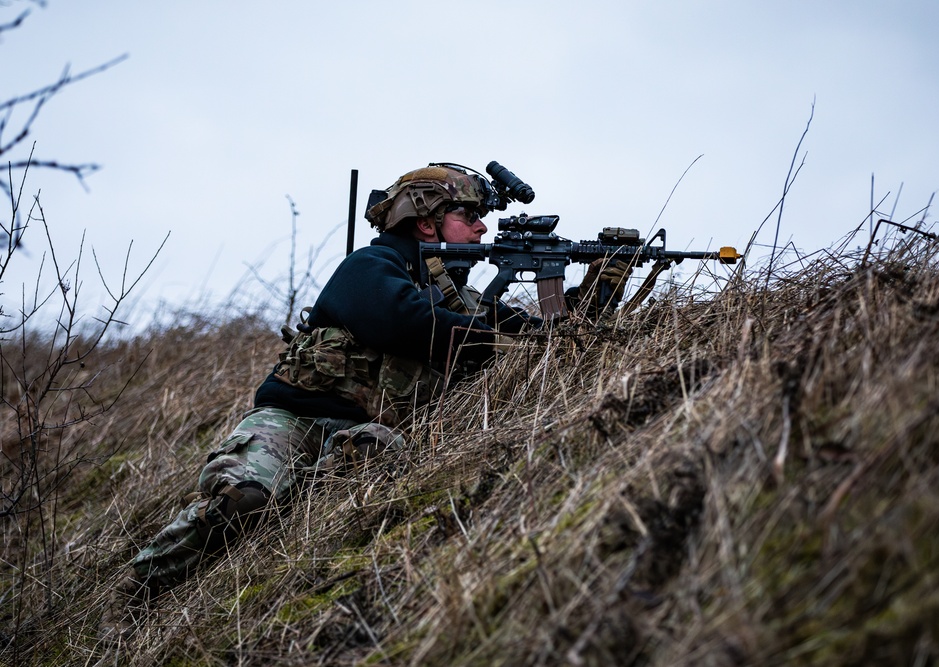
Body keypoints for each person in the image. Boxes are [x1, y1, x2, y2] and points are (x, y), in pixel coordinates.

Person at [117, 163, 629, 608]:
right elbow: (402, 321)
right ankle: (140, 583)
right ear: (427, 223)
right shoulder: (370, 266)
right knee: (249, 496)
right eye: (468, 218)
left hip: (363, 434)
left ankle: (302, 496)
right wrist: (492, 336)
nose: (479, 229)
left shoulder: (461, 299)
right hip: (292, 421)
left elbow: (550, 341)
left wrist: (607, 277)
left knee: (369, 452)